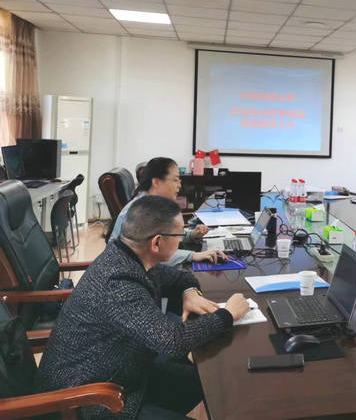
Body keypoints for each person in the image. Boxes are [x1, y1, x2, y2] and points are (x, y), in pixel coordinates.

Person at [35, 195, 250, 419]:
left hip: (120, 374)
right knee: (203, 380)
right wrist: (228, 315)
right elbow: (172, 341)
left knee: (204, 383)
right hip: (85, 400)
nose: (181, 241)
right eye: (179, 235)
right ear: (157, 242)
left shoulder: (130, 257)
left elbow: (179, 278)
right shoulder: (119, 283)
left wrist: (189, 292)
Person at [110, 157, 224, 266]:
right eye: (175, 180)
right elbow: (154, 255)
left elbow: (166, 238)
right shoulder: (142, 212)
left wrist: (192, 235)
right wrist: (194, 255)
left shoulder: (154, 204)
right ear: (156, 182)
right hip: (124, 270)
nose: (179, 185)